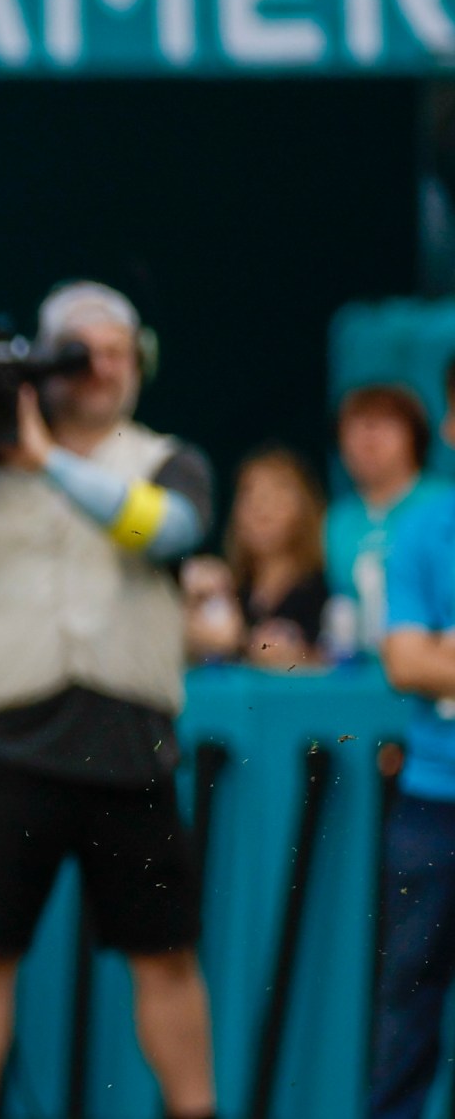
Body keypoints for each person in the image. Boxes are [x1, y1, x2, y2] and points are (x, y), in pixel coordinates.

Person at [0, 282, 215, 1119]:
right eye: (81, 354)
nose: (102, 370)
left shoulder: (167, 458)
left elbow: (166, 531)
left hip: (126, 743)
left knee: (165, 954)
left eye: (118, 354)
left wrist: (45, 462)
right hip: (11, 740)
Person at [373, 376, 455, 1119]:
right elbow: (404, 662)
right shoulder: (425, 528)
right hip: (433, 802)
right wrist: (428, 656)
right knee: (407, 1002)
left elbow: (426, 658)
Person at [181, 450, 329, 670]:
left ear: (303, 507)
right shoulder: (227, 586)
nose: (261, 508)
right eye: (249, 494)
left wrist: (302, 657)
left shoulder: (324, 586)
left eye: (276, 493)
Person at [326, 383, 444, 658]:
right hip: (361, 666)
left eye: (384, 425)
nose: (369, 440)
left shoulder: (442, 504)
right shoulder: (338, 520)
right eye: (356, 427)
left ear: (414, 436)